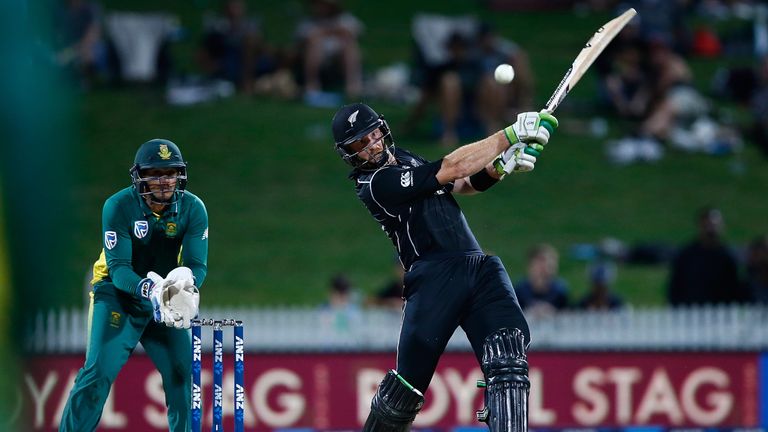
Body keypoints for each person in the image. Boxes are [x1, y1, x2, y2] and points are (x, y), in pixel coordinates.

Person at [331, 102, 557, 431]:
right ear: (348, 154)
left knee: (508, 361)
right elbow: (450, 167)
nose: (372, 146)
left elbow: (463, 184)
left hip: (477, 266)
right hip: (434, 278)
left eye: (374, 136)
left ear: (383, 129)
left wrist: (500, 166)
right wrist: (510, 135)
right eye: (359, 145)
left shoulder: (405, 158)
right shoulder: (375, 184)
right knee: (404, 393)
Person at [59, 139, 208, 432]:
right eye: (155, 173)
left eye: (171, 173)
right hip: (116, 295)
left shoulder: (193, 208)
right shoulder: (118, 206)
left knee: (183, 375)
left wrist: (184, 288)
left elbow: (196, 265)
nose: (165, 181)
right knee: (98, 372)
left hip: (164, 298)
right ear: (140, 176)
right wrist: (149, 291)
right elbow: (118, 269)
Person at [667, 207, 744, 306]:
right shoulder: (687, 255)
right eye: (706, 225)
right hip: (691, 310)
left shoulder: (728, 256)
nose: (710, 229)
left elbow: (734, 286)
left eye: (714, 226)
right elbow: (676, 285)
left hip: (720, 311)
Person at [295, 0, 364, 106]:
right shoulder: (309, 21)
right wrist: (331, 31)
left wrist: (327, 32)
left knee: (349, 46)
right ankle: (312, 85)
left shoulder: (344, 19)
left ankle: (353, 87)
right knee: (314, 45)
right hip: (317, 59)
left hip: (338, 60)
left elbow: (354, 32)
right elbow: (304, 38)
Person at [514, 243, 570, 317]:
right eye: (541, 261)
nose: (545, 266)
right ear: (530, 265)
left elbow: (567, 313)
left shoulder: (559, 291)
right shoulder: (519, 291)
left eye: (551, 262)